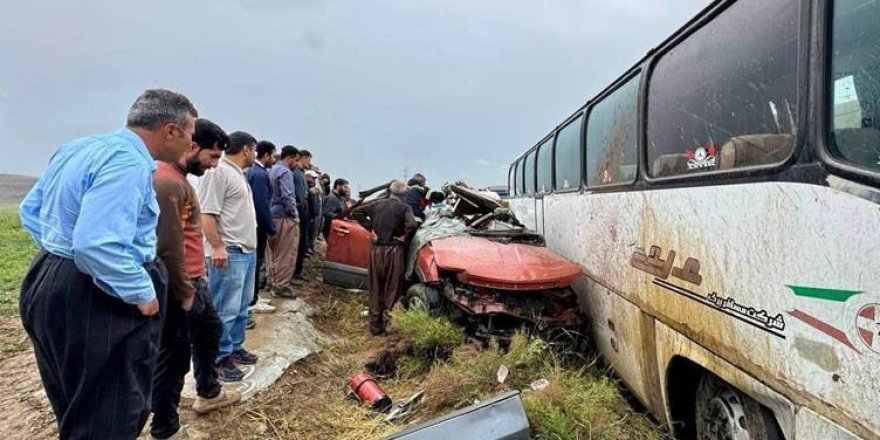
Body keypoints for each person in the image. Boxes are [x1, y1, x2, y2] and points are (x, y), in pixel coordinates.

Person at [18, 89, 195, 439]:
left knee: (76, 403)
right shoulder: (129, 163)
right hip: (99, 291)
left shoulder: (80, 147)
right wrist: (141, 291)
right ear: (170, 130)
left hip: (50, 275)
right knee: (110, 412)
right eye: (190, 133)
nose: (191, 143)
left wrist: (60, 256)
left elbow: (31, 210)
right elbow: (96, 245)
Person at [150, 118, 241, 440]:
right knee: (172, 357)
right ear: (192, 147)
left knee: (209, 332)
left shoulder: (180, 179)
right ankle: (165, 427)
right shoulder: (167, 182)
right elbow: (165, 245)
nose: (215, 165)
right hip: (182, 283)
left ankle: (209, 391)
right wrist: (184, 290)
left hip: (194, 279)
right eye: (212, 156)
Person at [198, 131, 260, 381]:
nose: (255, 155)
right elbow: (206, 214)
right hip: (230, 251)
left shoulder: (237, 174)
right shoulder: (218, 172)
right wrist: (217, 246)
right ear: (246, 149)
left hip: (245, 250)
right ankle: (218, 359)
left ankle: (234, 348)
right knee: (225, 308)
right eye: (254, 150)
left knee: (241, 306)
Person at [351, 180, 418, 336]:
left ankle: (375, 326)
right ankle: (389, 326)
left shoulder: (377, 204)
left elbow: (355, 212)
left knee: (376, 287)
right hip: (394, 251)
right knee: (393, 288)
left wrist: (371, 228)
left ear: (391, 191)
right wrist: (404, 238)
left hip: (376, 250)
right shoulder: (404, 207)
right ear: (404, 194)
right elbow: (412, 225)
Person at [247, 140, 278, 315]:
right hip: (258, 225)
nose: (274, 158)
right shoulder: (259, 174)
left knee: (256, 261)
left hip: (255, 224)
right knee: (256, 261)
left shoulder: (257, 172)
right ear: (266, 155)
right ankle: (252, 299)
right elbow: (261, 204)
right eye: (273, 155)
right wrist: (270, 227)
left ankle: (255, 296)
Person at [266, 145, 301, 298]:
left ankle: (272, 281)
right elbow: (288, 196)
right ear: (291, 158)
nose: (297, 164)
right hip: (284, 216)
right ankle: (281, 285)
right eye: (296, 160)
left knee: (271, 252)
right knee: (286, 252)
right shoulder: (286, 172)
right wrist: (294, 214)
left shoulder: (272, 169)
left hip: (271, 215)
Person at [292, 149, 311, 281]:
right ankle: (295, 273)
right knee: (298, 243)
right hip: (300, 212)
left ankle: (297, 271)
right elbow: (299, 197)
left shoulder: (300, 174)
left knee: (302, 242)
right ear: (302, 158)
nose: (309, 163)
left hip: (302, 211)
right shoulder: (297, 174)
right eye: (309, 159)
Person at [305, 170, 322, 256]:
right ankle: (306, 248)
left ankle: (309, 246)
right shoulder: (307, 187)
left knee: (311, 231)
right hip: (307, 214)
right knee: (307, 232)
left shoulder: (314, 188)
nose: (314, 180)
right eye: (313, 178)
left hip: (313, 214)